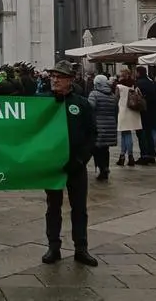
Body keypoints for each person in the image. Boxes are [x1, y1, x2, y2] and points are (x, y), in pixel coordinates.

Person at [41, 61, 98, 267]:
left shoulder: (82, 104)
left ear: (70, 80)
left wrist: (81, 159)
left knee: (79, 208)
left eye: (60, 77)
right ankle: (53, 246)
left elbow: (92, 135)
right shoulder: (42, 102)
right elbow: (11, 111)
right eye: (53, 76)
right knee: (53, 207)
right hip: (52, 165)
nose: (55, 80)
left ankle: (81, 248)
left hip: (76, 165)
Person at [87, 74, 117, 181]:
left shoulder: (94, 94)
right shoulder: (112, 95)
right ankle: (105, 167)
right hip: (110, 125)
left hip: (98, 125)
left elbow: (90, 108)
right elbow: (115, 110)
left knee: (96, 148)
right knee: (105, 149)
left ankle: (102, 168)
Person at [134, 66, 156, 164]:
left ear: (138, 73)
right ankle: (151, 154)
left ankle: (144, 155)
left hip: (142, 112)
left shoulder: (138, 84)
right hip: (153, 112)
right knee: (149, 134)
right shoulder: (153, 83)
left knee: (142, 134)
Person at [115, 69, 142, 166]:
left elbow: (116, 99)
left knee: (125, 134)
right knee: (127, 134)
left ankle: (126, 156)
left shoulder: (119, 86)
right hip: (133, 111)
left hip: (123, 111)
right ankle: (126, 156)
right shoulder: (134, 85)